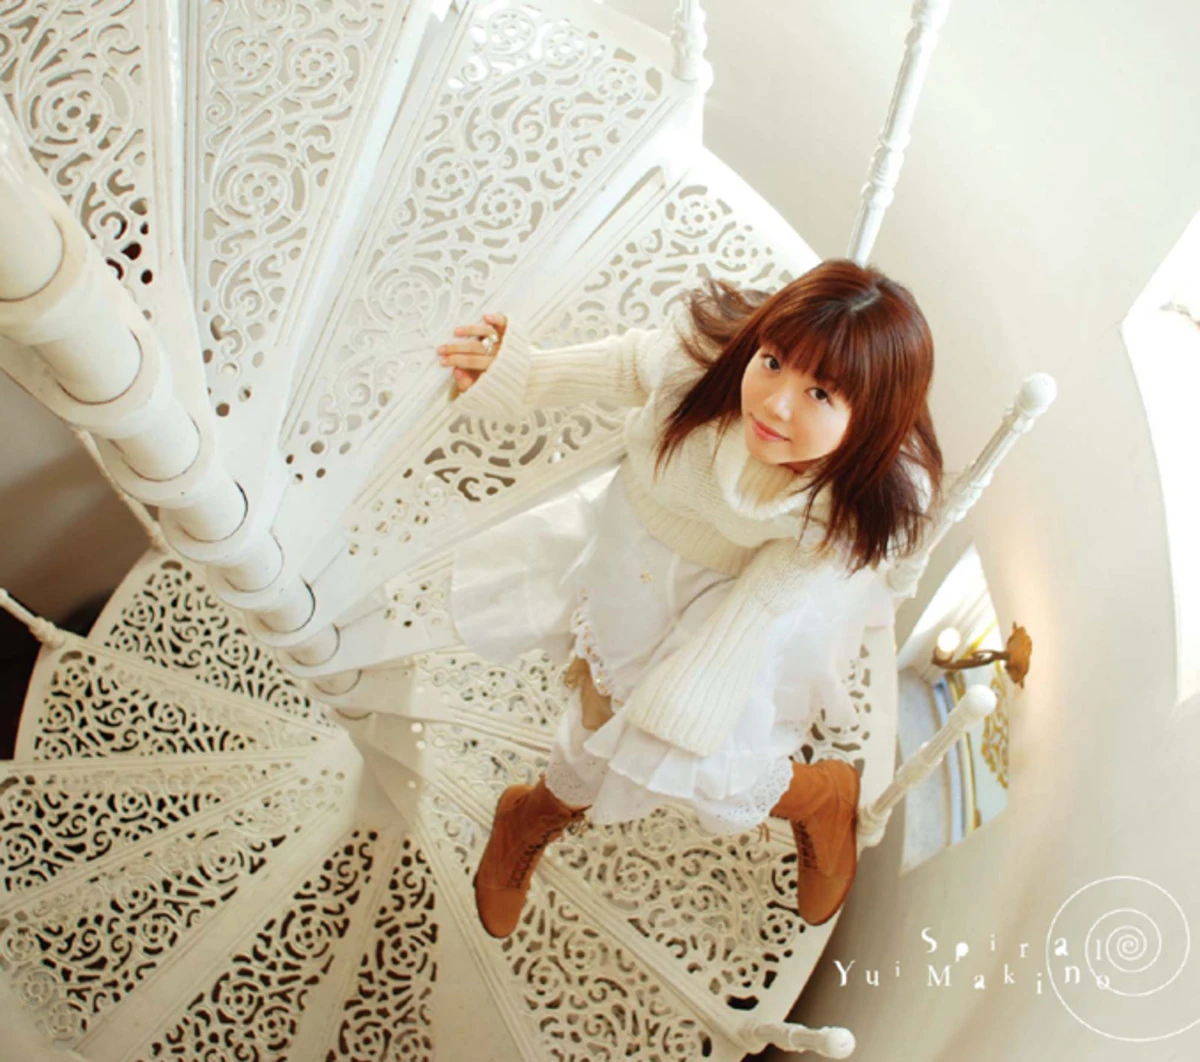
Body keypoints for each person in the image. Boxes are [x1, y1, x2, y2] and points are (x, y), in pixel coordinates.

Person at [431, 259, 943, 939]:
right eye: (773, 361)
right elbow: (626, 365)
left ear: (867, 423)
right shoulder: (702, 363)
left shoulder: (843, 505)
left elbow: (763, 602)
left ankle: (820, 796)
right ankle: (536, 811)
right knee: (604, 712)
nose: (775, 404)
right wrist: (523, 373)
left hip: (734, 594)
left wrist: (683, 702)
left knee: (705, 757)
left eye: (820, 393)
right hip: (634, 542)